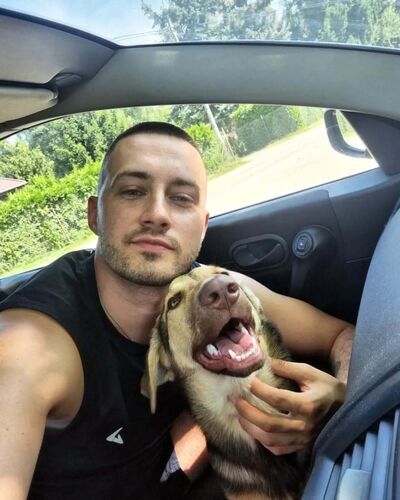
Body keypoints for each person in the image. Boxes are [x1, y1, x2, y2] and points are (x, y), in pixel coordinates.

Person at [0, 122, 353, 499]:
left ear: (203, 226)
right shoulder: (30, 345)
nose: (157, 214)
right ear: (95, 214)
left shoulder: (218, 291)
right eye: (132, 191)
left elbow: (340, 336)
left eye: (181, 198)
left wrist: (340, 395)